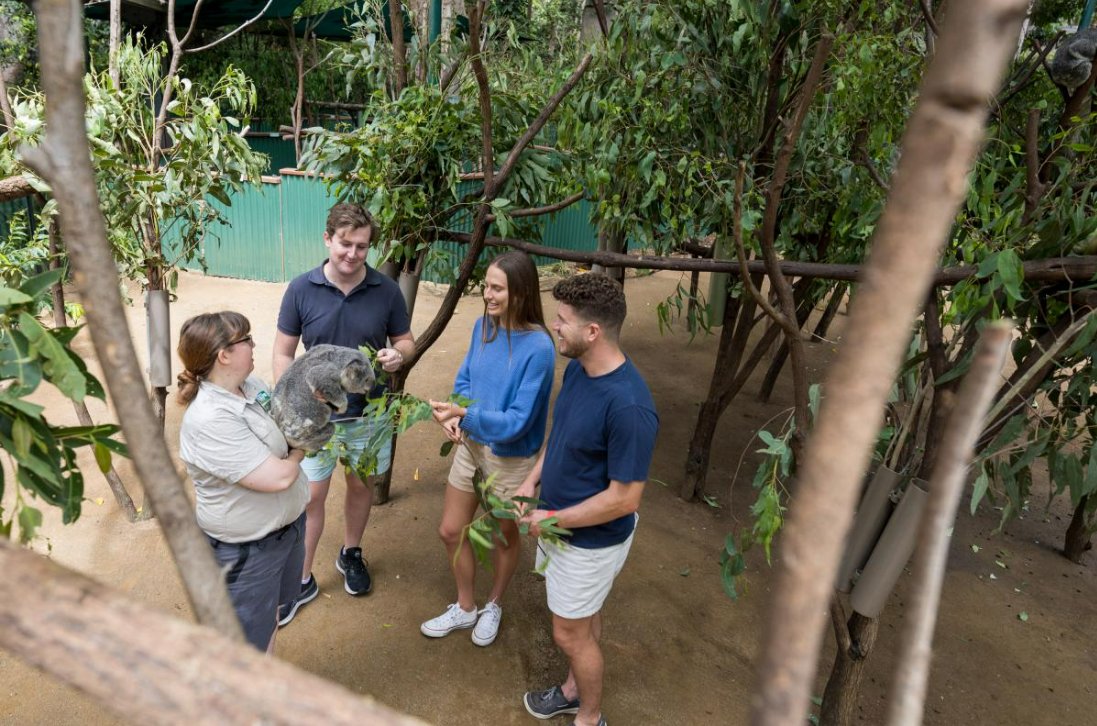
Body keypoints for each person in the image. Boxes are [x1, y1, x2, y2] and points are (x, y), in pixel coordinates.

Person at [517, 273, 659, 726]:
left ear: (592, 331)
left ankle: (589, 715)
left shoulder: (630, 408)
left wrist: (553, 517)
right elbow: (561, 434)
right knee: (583, 618)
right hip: (561, 523)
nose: (555, 327)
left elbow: (625, 499)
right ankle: (575, 689)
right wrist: (531, 481)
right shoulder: (579, 368)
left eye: (562, 320)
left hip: (590, 542)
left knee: (569, 634)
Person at [273, 202, 415, 623]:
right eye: (345, 244)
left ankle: (351, 552)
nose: (353, 254)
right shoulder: (301, 288)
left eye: (362, 246)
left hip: (367, 415)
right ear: (327, 239)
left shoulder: (385, 291)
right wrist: (291, 402)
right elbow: (282, 352)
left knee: (360, 486)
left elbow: (405, 341)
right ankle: (301, 578)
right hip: (317, 419)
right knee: (312, 496)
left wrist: (397, 356)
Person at [421, 251, 556, 647]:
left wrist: (467, 415)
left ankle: (493, 602)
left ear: (520, 293)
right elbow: (464, 380)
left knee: (503, 537)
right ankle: (465, 607)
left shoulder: (540, 348)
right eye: (486, 284)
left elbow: (519, 420)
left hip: (512, 457)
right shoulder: (484, 326)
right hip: (471, 444)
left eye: (497, 288)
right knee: (450, 530)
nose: (487, 293)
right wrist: (452, 414)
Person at [176, 311, 309, 652]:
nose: (253, 345)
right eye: (246, 340)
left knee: (270, 619)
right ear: (224, 354)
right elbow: (278, 477)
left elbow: (288, 427)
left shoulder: (253, 387)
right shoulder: (208, 419)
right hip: (248, 551)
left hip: (286, 530)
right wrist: (299, 452)